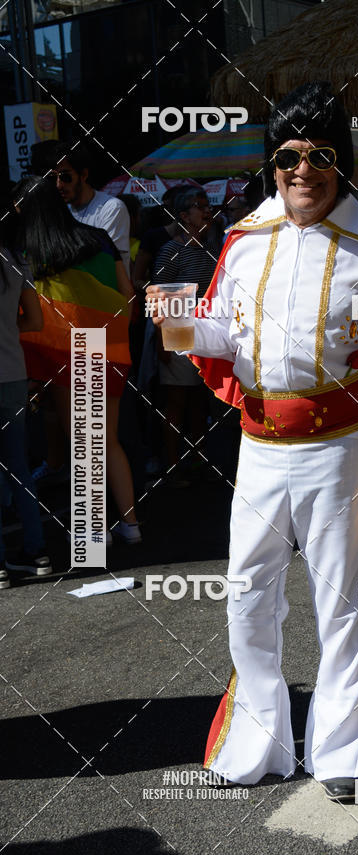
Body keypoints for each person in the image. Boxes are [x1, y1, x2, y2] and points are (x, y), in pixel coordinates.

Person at [149, 82, 358, 800]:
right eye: (287, 155)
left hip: (336, 451)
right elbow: (221, 334)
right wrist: (176, 323)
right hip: (256, 450)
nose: (301, 169)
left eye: (318, 155)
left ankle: (342, 753)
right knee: (247, 595)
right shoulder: (245, 240)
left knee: (339, 601)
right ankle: (257, 742)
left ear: (339, 163)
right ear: (270, 162)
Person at [14, 176, 141, 545]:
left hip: (68, 352)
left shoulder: (31, 253)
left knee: (84, 442)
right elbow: (128, 292)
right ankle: (131, 525)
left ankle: (95, 532)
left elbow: (33, 313)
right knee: (108, 440)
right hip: (110, 346)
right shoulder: (98, 238)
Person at [151, 188, 220, 485]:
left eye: (207, 205)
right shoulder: (170, 250)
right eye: (199, 206)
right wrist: (160, 343)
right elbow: (157, 298)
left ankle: (198, 458)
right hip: (177, 328)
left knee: (199, 403)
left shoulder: (211, 247)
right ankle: (171, 464)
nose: (207, 211)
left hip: (205, 331)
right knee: (177, 402)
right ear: (183, 216)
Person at [0, 191, 52, 586]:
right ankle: (37, 552)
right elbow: (34, 320)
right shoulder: (15, 261)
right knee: (19, 467)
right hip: (12, 374)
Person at [48, 142, 131, 271]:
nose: (59, 185)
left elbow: (104, 261)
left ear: (84, 175)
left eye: (65, 176)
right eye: (53, 177)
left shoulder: (111, 208)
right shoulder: (60, 212)